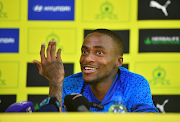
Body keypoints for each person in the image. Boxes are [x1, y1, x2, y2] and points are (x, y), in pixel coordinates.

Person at [33, 29, 159, 113]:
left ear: (118, 62)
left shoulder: (135, 83)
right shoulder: (68, 84)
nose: (87, 58)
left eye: (99, 52)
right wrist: (55, 82)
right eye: (84, 52)